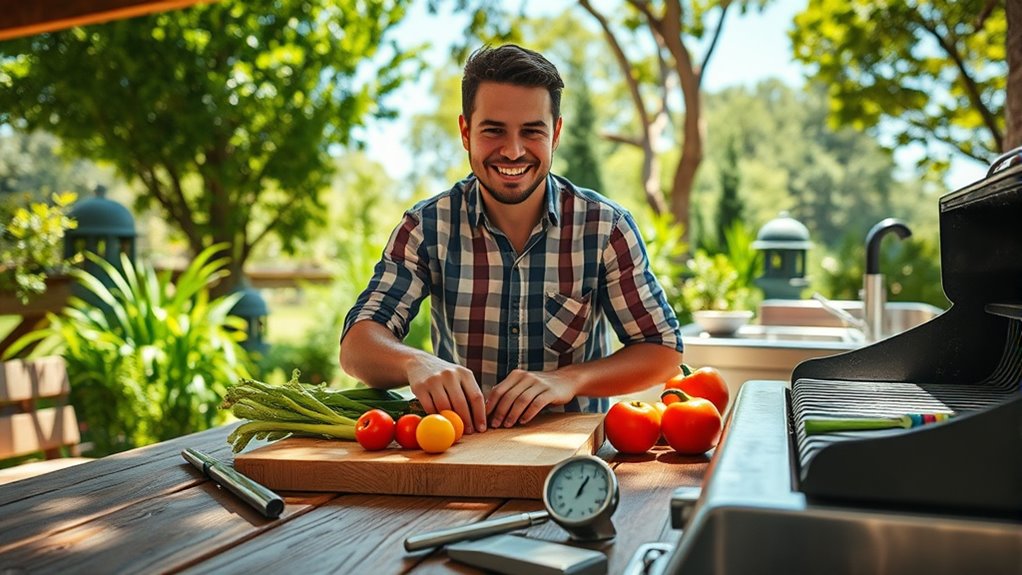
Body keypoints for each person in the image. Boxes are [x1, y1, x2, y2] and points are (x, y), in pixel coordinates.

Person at [340, 44, 683, 435]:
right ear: (466, 132)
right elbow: (356, 346)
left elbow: (663, 352)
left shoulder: (605, 227)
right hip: (460, 451)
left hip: (574, 459)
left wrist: (570, 379)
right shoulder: (426, 227)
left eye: (532, 131)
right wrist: (413, 363)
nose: (513, 150)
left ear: (555, 133)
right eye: (494, 130)